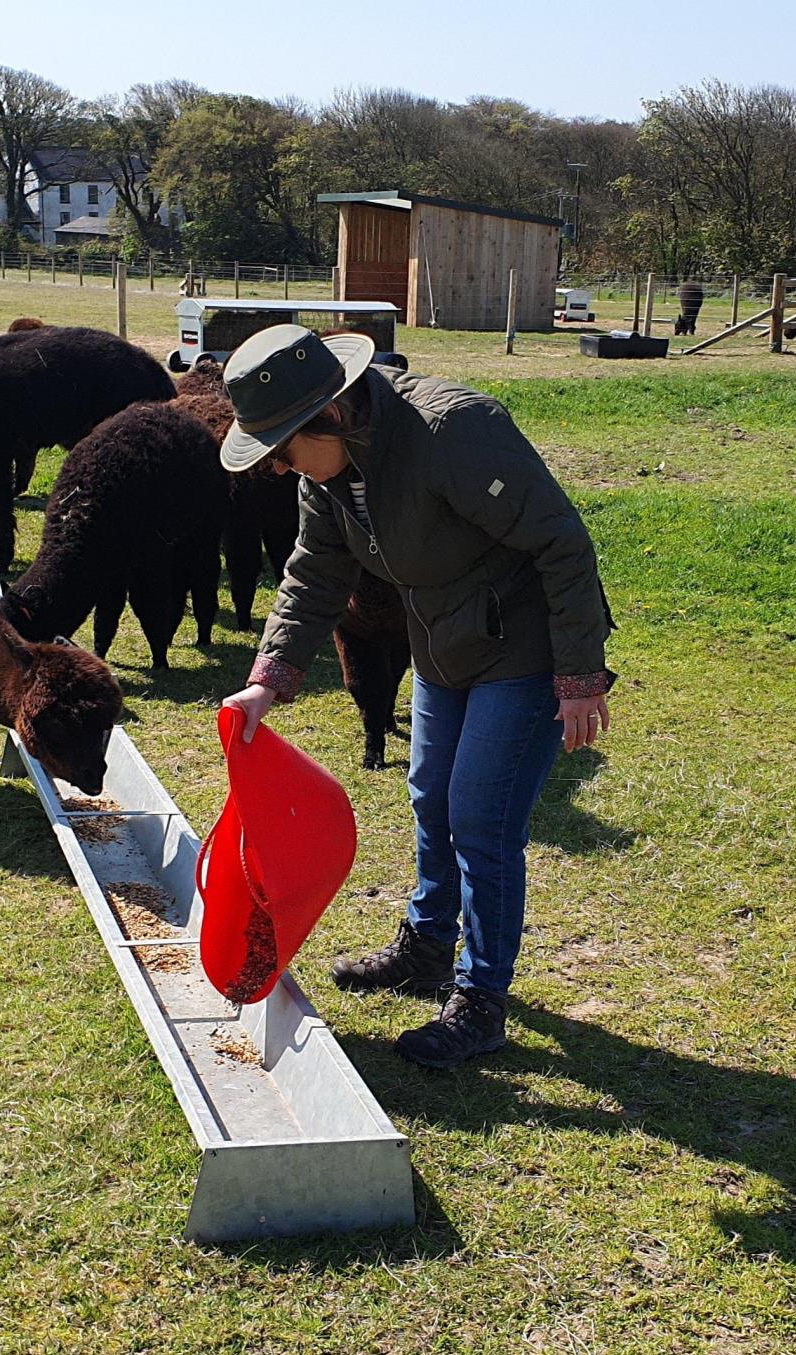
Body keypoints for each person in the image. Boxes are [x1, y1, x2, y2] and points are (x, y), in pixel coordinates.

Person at [218, 325, 615, 1069]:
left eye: (282, 449)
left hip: (524, 647)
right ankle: (428, 946)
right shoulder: (324, 475)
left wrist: (578, 677)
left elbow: (560, 541)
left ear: (330, 415)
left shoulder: (453, 431)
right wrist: (266, 680)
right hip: (441, 643)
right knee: (431, 796)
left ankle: (480, 999)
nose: (277, 467)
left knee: (481, 820)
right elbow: (315, 571)